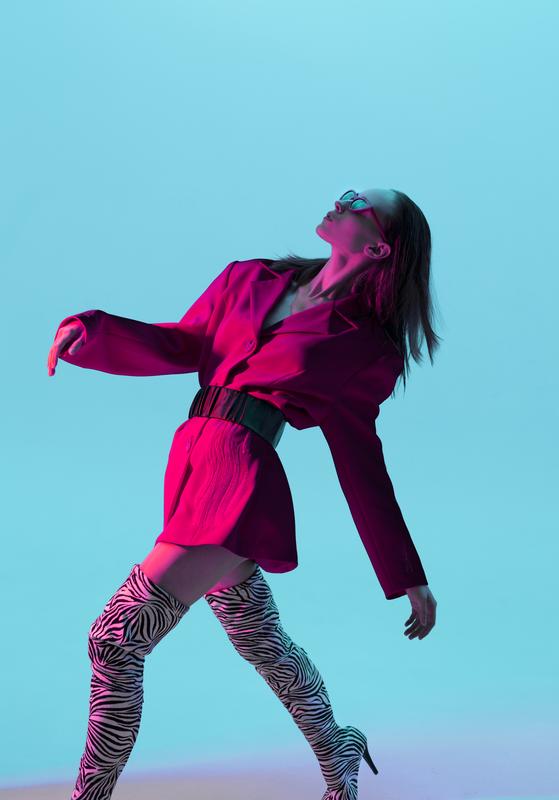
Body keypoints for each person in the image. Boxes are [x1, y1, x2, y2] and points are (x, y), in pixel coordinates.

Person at [47, 188, 441, 800]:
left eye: (358, 204)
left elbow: (361, 462)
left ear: (378, 247)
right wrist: (91, 330)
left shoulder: (366, 347)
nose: (340, 203)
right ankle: (337, 747)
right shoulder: (249, 277)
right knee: (259, 638)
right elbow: (182, 343)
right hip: (190, 461)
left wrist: (406, 574)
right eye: (345, 194)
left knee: (115, 640)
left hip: (239, 481)